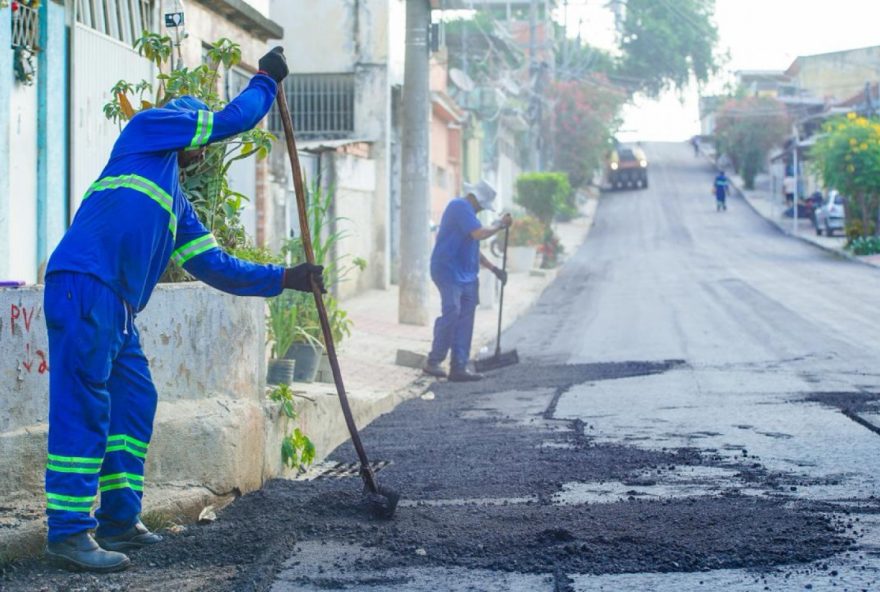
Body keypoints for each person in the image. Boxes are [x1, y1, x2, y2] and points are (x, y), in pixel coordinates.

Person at [42, 47, 324, 573]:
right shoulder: (148, 130)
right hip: (85, 283)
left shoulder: (176, 205)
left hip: (117, 306)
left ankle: (119, 519)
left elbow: (216, 265)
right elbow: (230, 120)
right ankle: (68, 532)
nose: (203, 149)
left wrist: (286, 279)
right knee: (83, 407)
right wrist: (265, 80)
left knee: (133, 400)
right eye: (197, 136)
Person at [423, 180, 512, 382]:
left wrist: (494, 269)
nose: (481, 209)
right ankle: (433, 361)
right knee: (452, 311)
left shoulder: (470, 215)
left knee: (465, 320)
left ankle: (458, 367)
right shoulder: (459, 206)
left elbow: (473, 247)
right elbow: (479, 234)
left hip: (468, 275)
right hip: (447, 270)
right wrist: (499, 224)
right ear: (475, 198)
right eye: (481, 205)